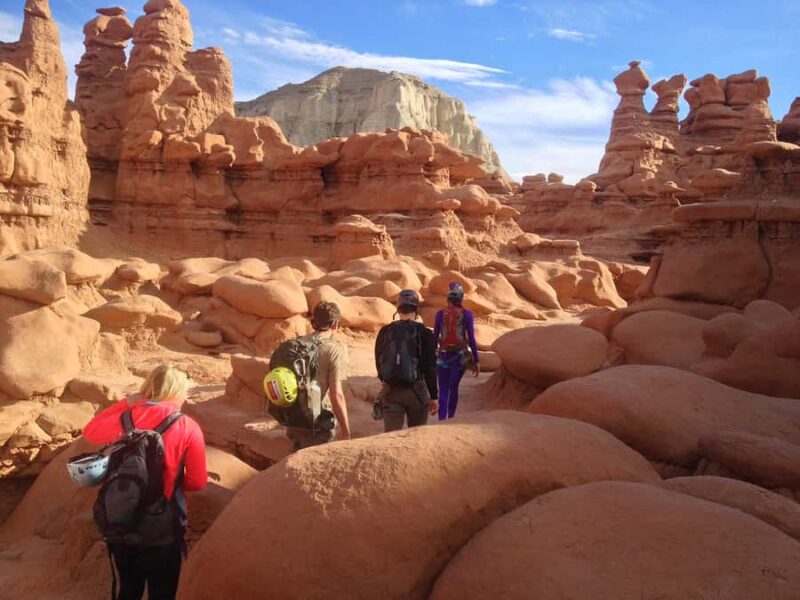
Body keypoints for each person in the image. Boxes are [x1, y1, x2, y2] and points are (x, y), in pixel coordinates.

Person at [82, 364, 207, 600]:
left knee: (129, 589)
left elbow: (90, 431)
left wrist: (125, 404)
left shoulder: (125, 418)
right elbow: (198, 481)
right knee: (162, 592)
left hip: (122, 520)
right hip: (162, 527)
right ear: (178, 391)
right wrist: (171, 481)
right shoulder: (186, 426)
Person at [285, 301, 351, 450]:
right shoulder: (334, 349)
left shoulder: (297, 343)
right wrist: (346, 431)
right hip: (318, 423)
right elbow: (337, 395)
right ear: (335, 324)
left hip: (294, 420)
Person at [374, 290, 438, 432]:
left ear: (398, 308)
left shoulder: (385, 331)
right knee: (415, 439)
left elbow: (378, 361)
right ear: (416, 309)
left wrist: (388, 380)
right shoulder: (425, 333)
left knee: (390, 437)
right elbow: (430, 368)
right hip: (416, 392)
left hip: (391, 391)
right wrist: (434, 396)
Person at [433, 282, 480, 421]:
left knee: (443, 390)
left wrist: (431, 357)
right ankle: (451, 418)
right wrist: (476, 360)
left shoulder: (440, 314)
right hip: (459, 357)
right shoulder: (467, 314)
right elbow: (471, 338)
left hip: (443, 357)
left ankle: (442, 419)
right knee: (453, 388)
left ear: (448, 299)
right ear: (461, 299)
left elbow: (435, 337)